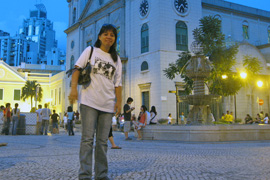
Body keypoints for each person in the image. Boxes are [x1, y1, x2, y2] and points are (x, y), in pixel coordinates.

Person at [68, 24, 122, 180]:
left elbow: (118, 83)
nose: (109, 37)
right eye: (105, 34)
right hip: (89, 102)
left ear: (114, 39)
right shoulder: (90, 51)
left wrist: (118, 101)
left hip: (107, 103)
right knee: (87, 140)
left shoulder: (116, 59)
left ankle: (101, 175)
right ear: (99, 37)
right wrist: (73, 89)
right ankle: (84, 175)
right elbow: (76, 69)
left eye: (112, 35)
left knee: (102, 142)